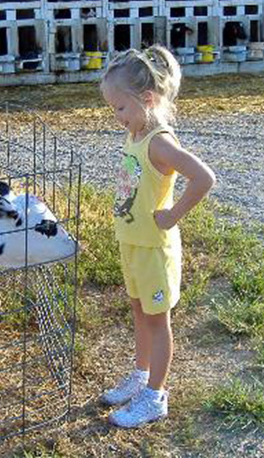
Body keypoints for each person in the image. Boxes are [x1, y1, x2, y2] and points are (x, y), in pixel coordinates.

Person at [100, 45, 216, 428]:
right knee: (139, 311)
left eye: (119, 107)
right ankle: (140, 375)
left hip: (153, 247)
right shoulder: (136, 132)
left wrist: (173, 215)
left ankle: (155, 396)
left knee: (157, 320)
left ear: (147, 99)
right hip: (133, 243)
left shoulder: (159, 142)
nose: (115, 116)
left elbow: (204, 178)